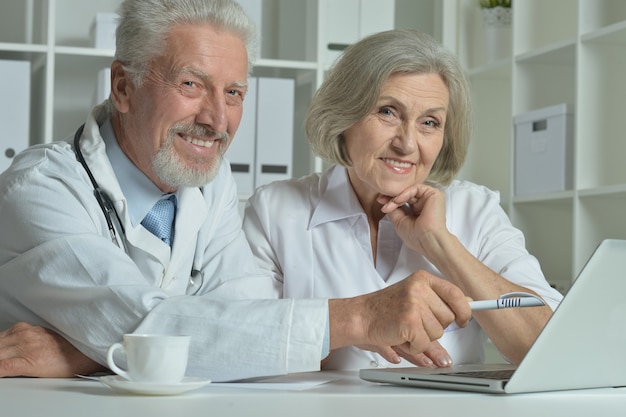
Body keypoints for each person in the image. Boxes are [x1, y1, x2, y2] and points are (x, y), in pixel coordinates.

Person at [0, 0, 472, 381]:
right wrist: (360, 318)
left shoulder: (210, 184)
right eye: (191, 84)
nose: (217, 120)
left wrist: (83, 349)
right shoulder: (41, 189)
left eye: (234, 93)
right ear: (124, 87)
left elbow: (245, 320)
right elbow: (144, 324)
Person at [242, 29, 563, 370]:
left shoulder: (476, 211)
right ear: (344, 115)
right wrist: (355, 323)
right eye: (388, 112)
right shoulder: (275, 210)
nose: (407, 144)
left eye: (429, 122)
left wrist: (440, 243)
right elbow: (239, 343)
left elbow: (553, 347)